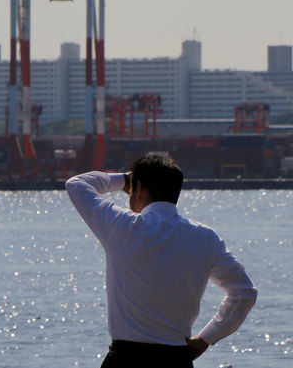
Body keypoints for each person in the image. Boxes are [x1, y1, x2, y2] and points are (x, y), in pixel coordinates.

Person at [66, 153, 257, 368]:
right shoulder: (205, 237)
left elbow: (77, 184)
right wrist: (205, 339)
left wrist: (124, 179)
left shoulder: (121, 226)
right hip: (176, 359)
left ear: (140, 188)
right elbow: (244, 293)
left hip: (126, 359)